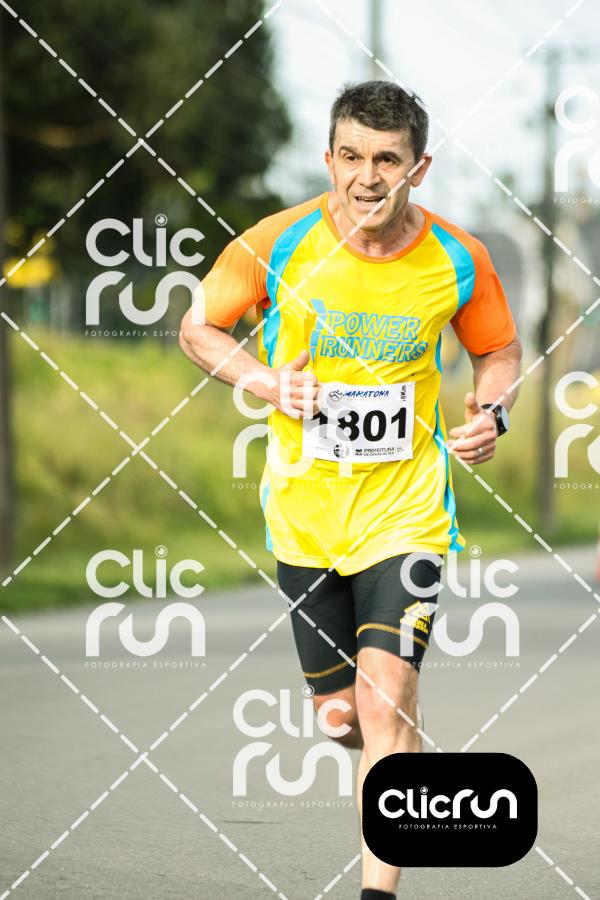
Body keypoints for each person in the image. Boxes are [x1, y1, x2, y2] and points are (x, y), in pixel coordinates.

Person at [180, 80, 521, 899]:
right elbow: (199, 327)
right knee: (344, 719)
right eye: (352, 156)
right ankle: (394, 745)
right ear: (329, 159)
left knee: (384, 697)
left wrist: (493, 413)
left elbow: (499, 352)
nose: (368, 177)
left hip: (407, 513)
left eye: (388, 160)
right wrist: (269, 384)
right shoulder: (279, 242)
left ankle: (377, 889)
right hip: (305, 516)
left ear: (419, 168)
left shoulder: (458, 258)